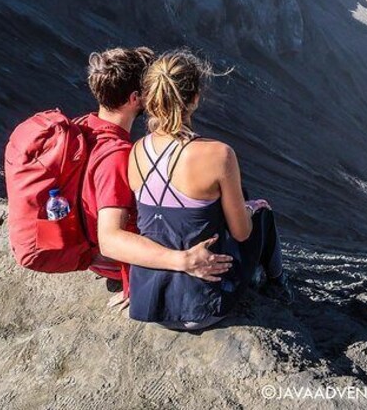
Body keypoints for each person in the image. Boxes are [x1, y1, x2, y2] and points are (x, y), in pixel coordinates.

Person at [126, 49, 294, 331]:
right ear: (194, 99)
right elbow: (242, 233)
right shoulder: (219, 154)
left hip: (152, 305)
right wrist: (251, 208)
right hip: (204, 306)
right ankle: (279, 285)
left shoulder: (135, 152)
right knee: (260, 212)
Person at [78, 47, 234, 307]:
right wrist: (183, 261)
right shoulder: (118, 156)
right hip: (117, 262)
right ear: (136, 98)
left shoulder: (85, 128)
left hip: (92, 250)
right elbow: (111, 241)